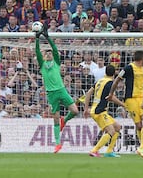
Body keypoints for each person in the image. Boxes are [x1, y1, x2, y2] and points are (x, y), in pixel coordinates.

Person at [35, 25, 79, 153]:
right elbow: (37, 51)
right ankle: (58, 144)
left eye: (50, 53)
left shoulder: (57, 63)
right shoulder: (42, 65)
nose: (48, 54)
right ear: (43, 56)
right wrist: (37, 38)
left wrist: (47, 37)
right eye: (46, 53)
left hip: (61, 90)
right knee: (54, 117)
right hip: (51, 93)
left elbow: (55, 49)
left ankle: (63, 121)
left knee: (75, 111)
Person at [107, 50, 143, 159]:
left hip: (142, 99)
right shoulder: (128, 68)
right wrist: (111, 93)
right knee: (139, 125)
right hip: (131, 99)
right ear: (142, 58)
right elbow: (117, 80)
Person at [84, 65, 124, 158]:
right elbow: (111, 97)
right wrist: (123, 105)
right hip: (99, 111)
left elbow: (89, 93)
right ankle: (94, 150)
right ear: (114, 74)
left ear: (105, 72)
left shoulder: (99, 81)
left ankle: (109, 151)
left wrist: (86, 108)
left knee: (117, 127)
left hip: (97, 110)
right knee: (111, 131)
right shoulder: (110, 83)